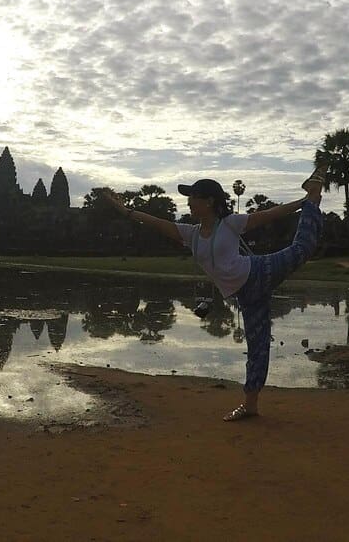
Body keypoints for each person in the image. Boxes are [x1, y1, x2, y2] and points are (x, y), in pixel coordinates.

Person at [99, 163, 327, 421]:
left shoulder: (230, 223)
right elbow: (156, 223)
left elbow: (271, 214)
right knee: (258, 346)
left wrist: (303, 202)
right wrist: (126, 211)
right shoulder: (191, 234)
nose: (188, 202)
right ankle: (250, 405)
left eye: (192, 197)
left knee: (302, 249)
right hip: (246, 295)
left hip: (260, 271)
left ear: (208, 201)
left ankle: (314, 195)